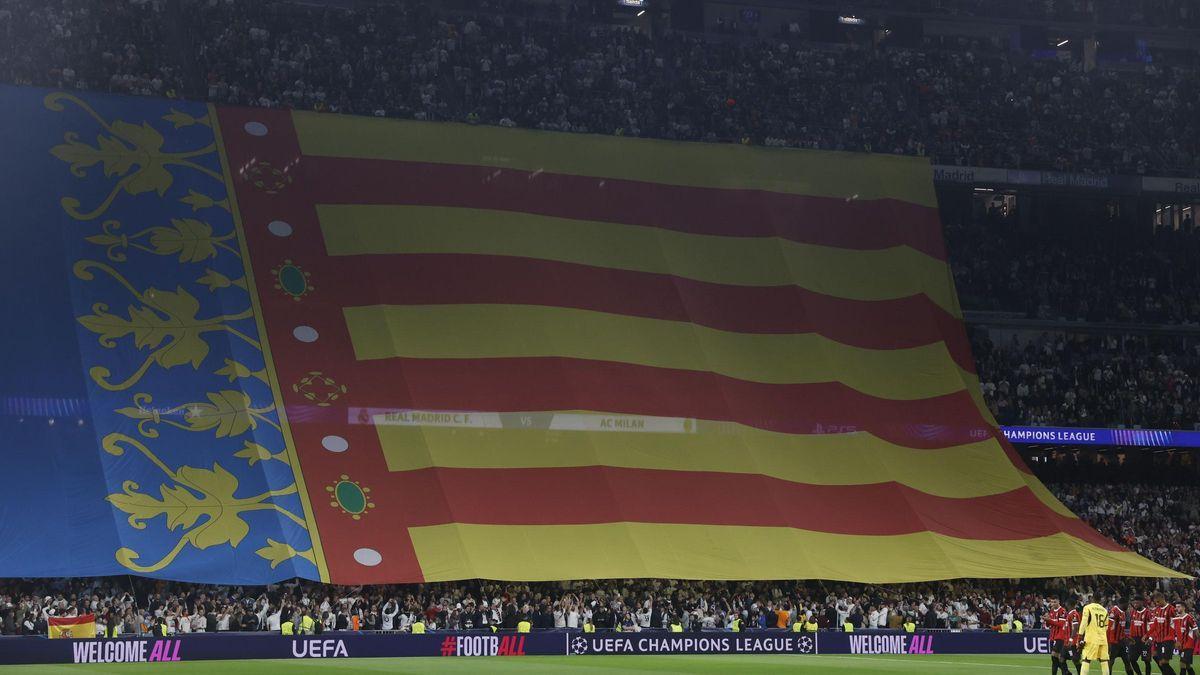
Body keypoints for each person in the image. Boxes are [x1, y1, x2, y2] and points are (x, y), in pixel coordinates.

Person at [1077, 596, 1109, 675]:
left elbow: (1084, 622)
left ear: (1092, 599)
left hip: (1091, 638)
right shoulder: (1104, 610)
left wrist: (1079, 636)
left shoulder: (1088, 608)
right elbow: (1106, 626)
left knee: (1086, 660)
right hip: (1103, 639)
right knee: (1104, 661)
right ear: (1100, 600)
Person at [1150, 593, 1177, 675]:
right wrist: (1149, 636)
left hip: (1168, 639)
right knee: (1155, 656)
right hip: (1158, 639)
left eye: (1158, 601)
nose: (1157, 604)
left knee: (1163, 662)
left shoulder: (1171, 609)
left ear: (1163, 598)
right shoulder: (1157, 610)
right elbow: (1155, 625)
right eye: (1155, 602)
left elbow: (1178, 622)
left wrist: (1177, 637)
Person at [1045, 597, 1073, 675]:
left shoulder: (1062, 611)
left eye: (1055, 602)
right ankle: (1067, 673)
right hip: (1052, 637)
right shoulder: (1051, 611)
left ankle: (1066, 672)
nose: (1053, 603)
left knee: (1056, 658)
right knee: (1055, 659)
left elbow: (1061, 624)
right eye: (1052, 602)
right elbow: (1048, 625)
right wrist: (1046, 620)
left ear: (1058, 602)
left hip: (1060, 637)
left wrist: (1049, 620)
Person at [1106, 596, 1132, 675]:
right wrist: (1109, 643)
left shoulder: (1123, 613)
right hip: (1114, 642)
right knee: (1111, 662)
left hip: (1122, 642)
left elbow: (1121, 629)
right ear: (1123, 604)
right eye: (1128, 605)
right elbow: (1109, 628)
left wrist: (1128, 637)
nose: (1128, 607)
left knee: (1127, 661)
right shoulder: (1114, 611)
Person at [1171, 602, 1196, 675]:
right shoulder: (1176, 619)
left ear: (1184, 608)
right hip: (1180, 646)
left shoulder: (1189, 617)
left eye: (1179, 607)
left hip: (1188, 645)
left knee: (1182, 664)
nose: (1177, 608)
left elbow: (1196, 630)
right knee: (1187, 666)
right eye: (1176, 607)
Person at [1131, 597, 1151, 675]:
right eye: (1134, 603)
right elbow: (1132, 626)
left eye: (1137, 603)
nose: (1135, 605)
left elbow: (1152, 627)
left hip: (1144, 640)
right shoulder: (1133, 612)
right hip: (1134, 640)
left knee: (1146, 660)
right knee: (1132, 659)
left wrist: (1149, 637)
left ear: (1142, 603)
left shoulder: (1147, 613)